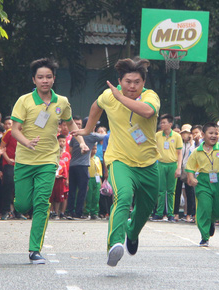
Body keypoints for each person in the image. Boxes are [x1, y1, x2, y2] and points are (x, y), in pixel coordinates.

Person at [74, 58, 160, 267]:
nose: (132, 86)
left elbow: (147, 111)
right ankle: (115, 244)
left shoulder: (150, 96)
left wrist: (120, 97)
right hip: (119, 160)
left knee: (146, 208)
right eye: (128, 81)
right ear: (120, 81)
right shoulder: (108, 95)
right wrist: (87, 129)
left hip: (148, 163)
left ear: (143, 83)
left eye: (137, 82)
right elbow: (96, 105)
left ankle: (132, 231)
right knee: (123, 196)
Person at [9, 58, 86, 264]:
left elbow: (70, 124)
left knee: (42, 203)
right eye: (40, 77)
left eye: (49, 77)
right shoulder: (24, 101)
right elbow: (15, 130)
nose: (45, 81)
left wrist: (81, 140)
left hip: (48, 160)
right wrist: (27, 142)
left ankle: (35, 250)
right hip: (25, 160)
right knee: (24, 205)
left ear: (54, 79)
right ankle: (20, 204)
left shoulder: (61, 102)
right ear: (34, 79)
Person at [186, 122, 219, 246]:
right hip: (203, 180)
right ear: (203, 135)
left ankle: (212, 220)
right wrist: (191, 178)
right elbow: (190, 167)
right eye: (211, 133)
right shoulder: (196, 151)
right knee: (204, 207)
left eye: (216, 133)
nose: (214, 136)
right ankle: (204, 236)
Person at [65, 116, 104, 220]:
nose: (95, 126)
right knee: (83, 190)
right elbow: (105, 136)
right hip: (83, 166)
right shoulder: (92, 136)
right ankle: (78, 213)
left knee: (72, 190)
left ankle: (69, 212)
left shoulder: (75, 135)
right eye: (94, 124)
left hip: (73, 165)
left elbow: (71, 150)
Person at [153, 114, 183, 222]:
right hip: (160, 164)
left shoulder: (177, 136)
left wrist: (179, 168)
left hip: (172, 164)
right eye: (161, 122)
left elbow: (179, 153)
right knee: (161, 190)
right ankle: (159, 212)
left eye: (164, 122)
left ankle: (170, 213)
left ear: (170, 124)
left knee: (171, 191)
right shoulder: (157, 135)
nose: (162, 124)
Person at [175, 124, 197, 223]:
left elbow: (194, 152)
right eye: (184, 133)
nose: (186, 135)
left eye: (187, 133)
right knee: (177, 191)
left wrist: (192, 141)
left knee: (190, 193)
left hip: (189, 170)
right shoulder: (178, 143)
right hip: (179, 168)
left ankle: (189, 214)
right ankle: (175, 213)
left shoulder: (192, 145)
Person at [85, 143, 103, 219]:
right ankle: (86, 212)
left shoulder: (97, 159)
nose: (94, 151)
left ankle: (94, 212)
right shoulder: (86, 158)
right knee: (88, 196)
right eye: (93, 149)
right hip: (89, 179)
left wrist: (100, 181)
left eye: (95, 149)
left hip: (97, 179)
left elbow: (99, 171)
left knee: (96, 197)